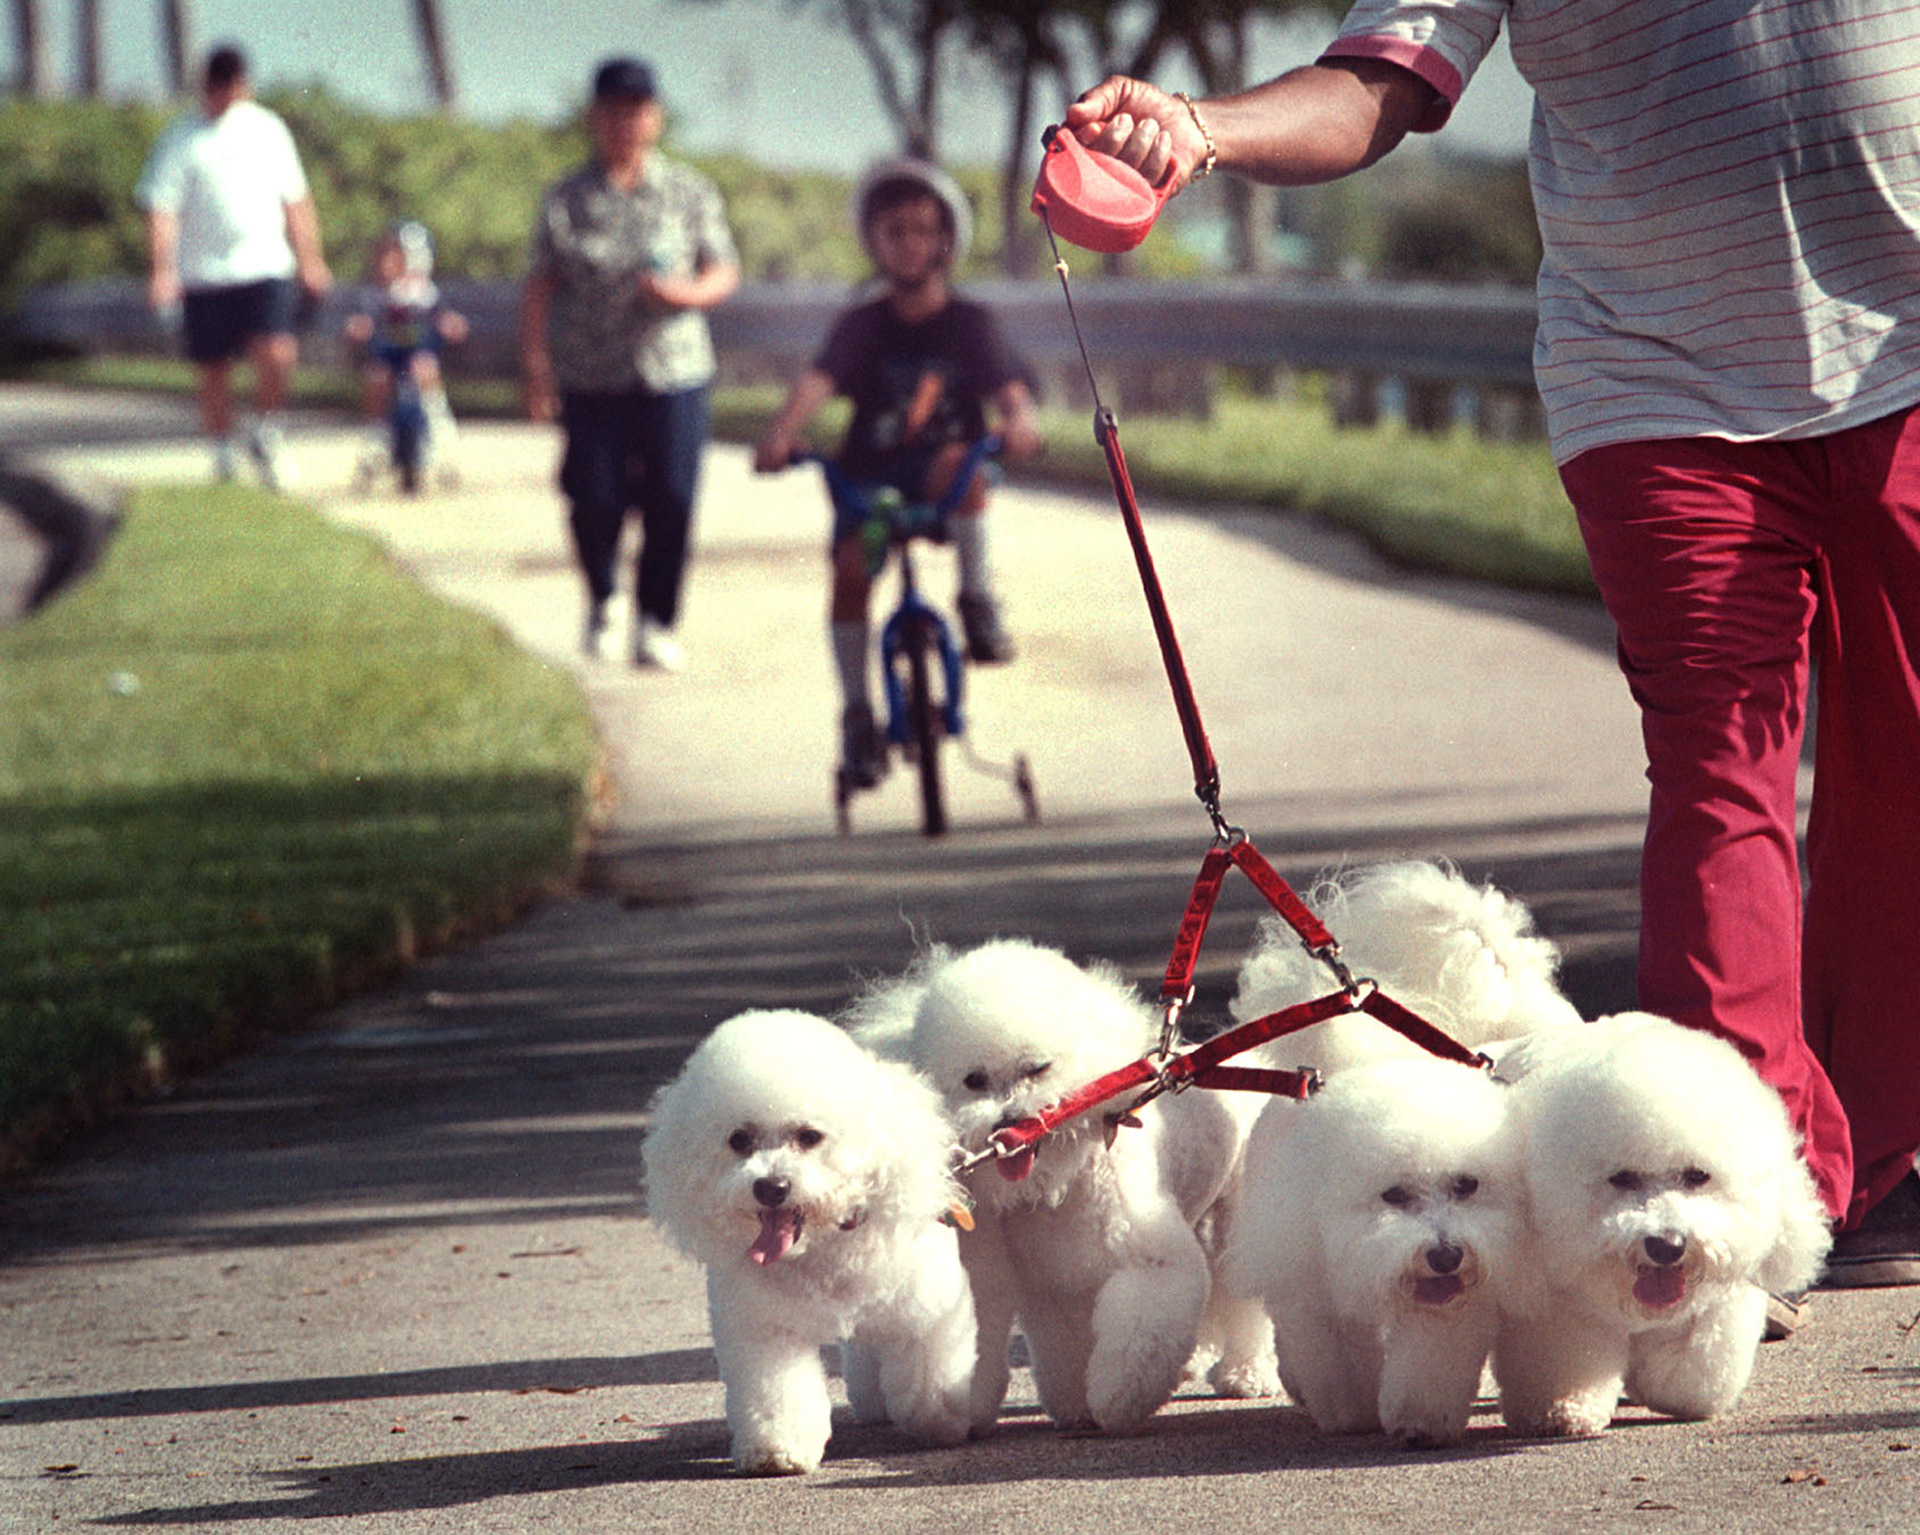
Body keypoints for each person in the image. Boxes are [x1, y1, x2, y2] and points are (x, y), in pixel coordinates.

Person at [1065, 3, 1920, 1289]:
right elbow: (1379, 83)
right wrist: (1201, 127)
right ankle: (1741, 1194)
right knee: (1720, 771)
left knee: (1907, 753)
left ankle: (1891, 1147)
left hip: (1909, 354)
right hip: (1658, 381)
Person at [753, 157, 1042, 789]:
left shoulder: (970, 322)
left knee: (960, 463)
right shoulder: (861, 325)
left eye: (921, 230)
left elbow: (1009, 388)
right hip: (873, 478)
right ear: (874, 241)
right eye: (894, 231)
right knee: (852, 569)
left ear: (944, 241)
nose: (908, 243)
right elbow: (817, 384)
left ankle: (976, 600)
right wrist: (781, 433)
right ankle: (858, 716)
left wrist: (1019, 419)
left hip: (943, 478)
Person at [519, 57, 741, 670]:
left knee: (672, 496)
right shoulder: (566, 199)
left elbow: (722, 270)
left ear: (656, 118)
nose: (626, 121)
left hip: (674, 370)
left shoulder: (689, 191)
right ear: (595, 118)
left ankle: (657, 620)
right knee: (594, 495)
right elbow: (539, 287)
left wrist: (686, 294)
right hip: (593, 373)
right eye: (614, 109)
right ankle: (605, 598)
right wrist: (536, 369)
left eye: (637, 109)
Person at [135, 43, 331, 490]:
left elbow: (296, 199)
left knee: (278, 351)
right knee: (214, 367)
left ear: (243, 85)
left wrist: (311, 260)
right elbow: (162, 209)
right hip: (204, 272)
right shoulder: (180, 138)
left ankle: (267, 431)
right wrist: (161, 271)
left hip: (264, 264)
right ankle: (223, 451)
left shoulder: (268, 130)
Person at [344, 220, 468, 489]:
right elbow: (364, 321)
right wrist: (358, 328)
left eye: (394, 255)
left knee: (425, 369)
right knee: (376, 377)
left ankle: (440, 434)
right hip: (388, 358)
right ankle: (376, 436)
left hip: (419, 357)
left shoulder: (425, 294)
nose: (386, 262)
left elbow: (443, 318)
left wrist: (451, 325)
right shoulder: (377, 294)